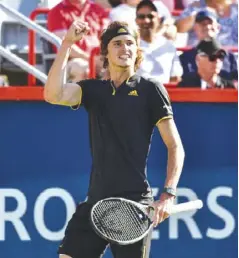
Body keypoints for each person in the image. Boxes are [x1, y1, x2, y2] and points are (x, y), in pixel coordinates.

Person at [44, 20, 185, 258]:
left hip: (134, 205)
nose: (125, 49)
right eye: (117, 44)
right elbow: (52, 94)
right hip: (95, 201)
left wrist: (168, 194)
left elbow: (175, 146)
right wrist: (67, 43)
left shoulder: (150, 89)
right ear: (106, 53)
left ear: (137, 51)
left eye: (130, 43)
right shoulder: (92, 90)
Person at [47, 0, 109, 81]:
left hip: (98, 59)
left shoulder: (98, 10)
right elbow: (64, 44)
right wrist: (91, 60)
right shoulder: (57, 11)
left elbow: (108, 38)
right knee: (84, 70)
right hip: (72, 61)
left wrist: (102, 59)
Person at [179, 10, 238, 80]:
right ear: (195, 28)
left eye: (211, 23)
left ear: (218, 28)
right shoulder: (185, 58)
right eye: (203, 24)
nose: (207, 27)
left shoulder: (230, 58)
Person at [135, 0, 183, 83]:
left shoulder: (168, 46)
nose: (146, 20)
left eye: (150, 16)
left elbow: (175, 78)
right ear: (136, 20)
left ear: (159, 19)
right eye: (141, 17)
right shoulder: (128, 46)